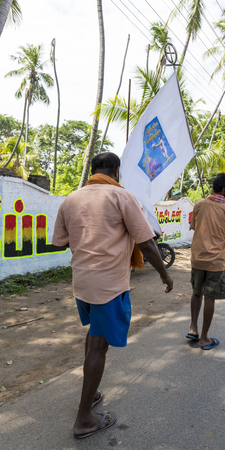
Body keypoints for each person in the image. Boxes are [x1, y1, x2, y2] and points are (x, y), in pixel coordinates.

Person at [52, 152, 173, 439]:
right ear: (116, 171)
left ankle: (90, 394)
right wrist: (164, 274)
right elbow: (146, 242)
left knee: (94, 336)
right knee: (98, 346)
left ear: (93, 170)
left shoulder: (70, 199)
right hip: (109, 285)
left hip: (82, 282)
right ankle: (84, 420)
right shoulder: (122, 197)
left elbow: (60, 242)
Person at [186, 173, 225, 350]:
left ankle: (193, 328)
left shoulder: (200, 204)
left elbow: (195, 227)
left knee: (196, 293)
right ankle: (204, 338)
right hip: (216, 262)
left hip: (197, 259)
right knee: (210, 297)